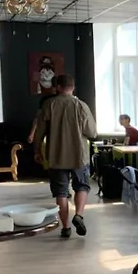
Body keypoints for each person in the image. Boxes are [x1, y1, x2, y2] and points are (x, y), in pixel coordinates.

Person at [33, 74, 97, 239]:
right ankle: (79, 215)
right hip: (79, 156)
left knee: (60, 193)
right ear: (72, 87)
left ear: (58, 87)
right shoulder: (81, 105)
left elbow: (39, 132)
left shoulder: (49, 104)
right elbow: (92, 132)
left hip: (56, 157)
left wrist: (37, 150)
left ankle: (66, 227)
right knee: (81, 187)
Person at [28, 76, 57, 143]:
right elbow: (38, 117)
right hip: (46, 131)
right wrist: (32, 134)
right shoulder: (45, 99)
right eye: (54, 86)